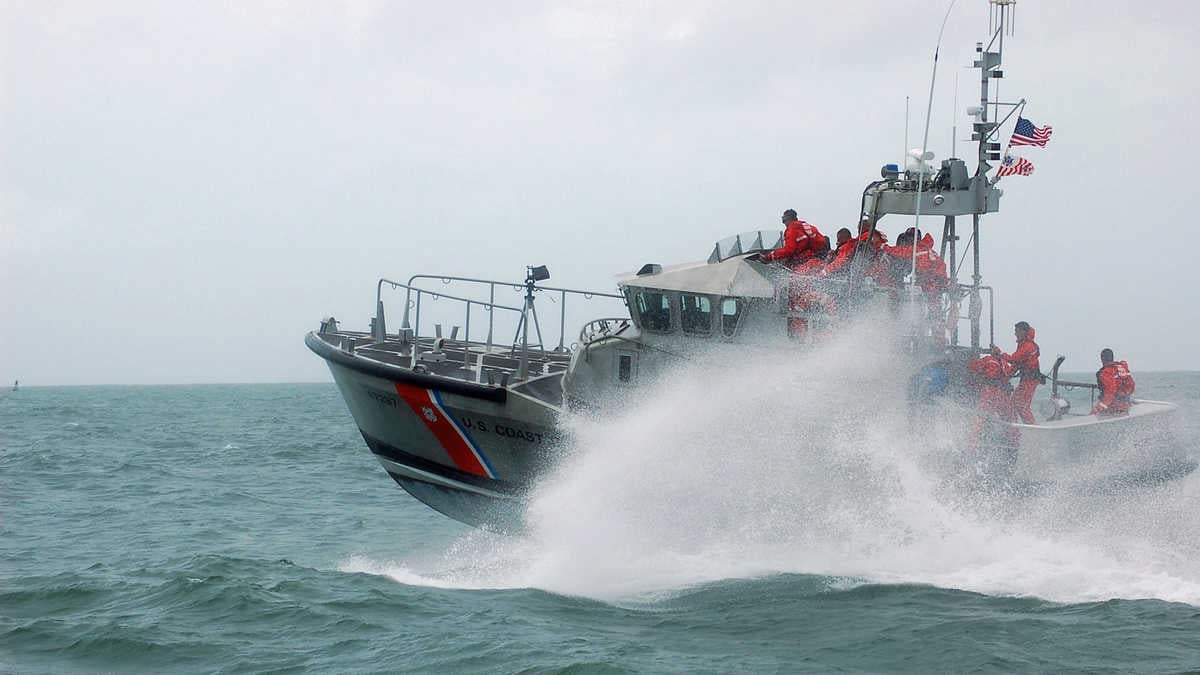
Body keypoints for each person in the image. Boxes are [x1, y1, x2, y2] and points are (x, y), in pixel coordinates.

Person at [967, 352, 1019, 454]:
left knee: (980, 417)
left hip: (990, 392)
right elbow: (1010, 373)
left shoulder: (988, 360)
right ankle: (1014, 444)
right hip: (1004, 394)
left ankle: (971, 445)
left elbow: (973, 367)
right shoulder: (1004, 363)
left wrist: (971, 363)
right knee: (1010, 419)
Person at [993, 321, 1040, 424]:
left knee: (1021, 403)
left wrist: (999, 353)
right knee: (1016, 401)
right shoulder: (1023, 344)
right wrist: (1005, 378)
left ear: (1023, 331)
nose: (1015, 334)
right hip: (1027, 378)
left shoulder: (1028, 346)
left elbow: (1014, 359)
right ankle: (1020, 424)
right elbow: (1017, 364)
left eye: (1017, 331)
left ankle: (1032, 426)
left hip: (1031, 379)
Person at [763, 209, 828, 269]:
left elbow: (789, 250)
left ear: (788, 219)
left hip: (803, 260)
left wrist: (769, 256)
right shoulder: (809, 227)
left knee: (784, 266)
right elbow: (822, 241)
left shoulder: (792, 229)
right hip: (818, 257)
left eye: (784, 220)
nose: (784, 223)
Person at [1091, 348, 1136, 416]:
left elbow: (1110, 391)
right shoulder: (1122, 368)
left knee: (1094, 413)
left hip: (1113, 408)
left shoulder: (1106, 373)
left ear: (1102, 359)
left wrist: (1099, 408)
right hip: (1125, 407)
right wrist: (1124, 395)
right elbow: (1131, 386)